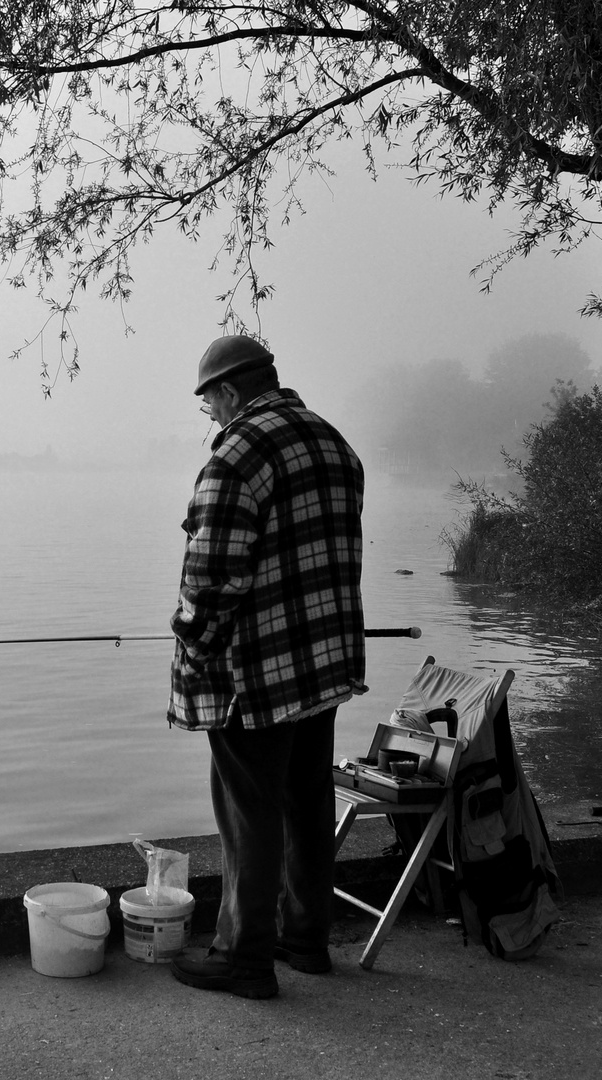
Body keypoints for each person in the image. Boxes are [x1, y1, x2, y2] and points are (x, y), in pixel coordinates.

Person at [167, 334, 366, 999]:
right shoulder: (333, 441)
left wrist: (192, 646)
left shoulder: (238, 453)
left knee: (248, 811)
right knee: (306, 801)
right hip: (323, 663)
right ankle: (304, 940)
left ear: (225, 392)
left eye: (209, 406)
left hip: (254, 674)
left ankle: (242, 957)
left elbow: (212, 576)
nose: (211, 421)